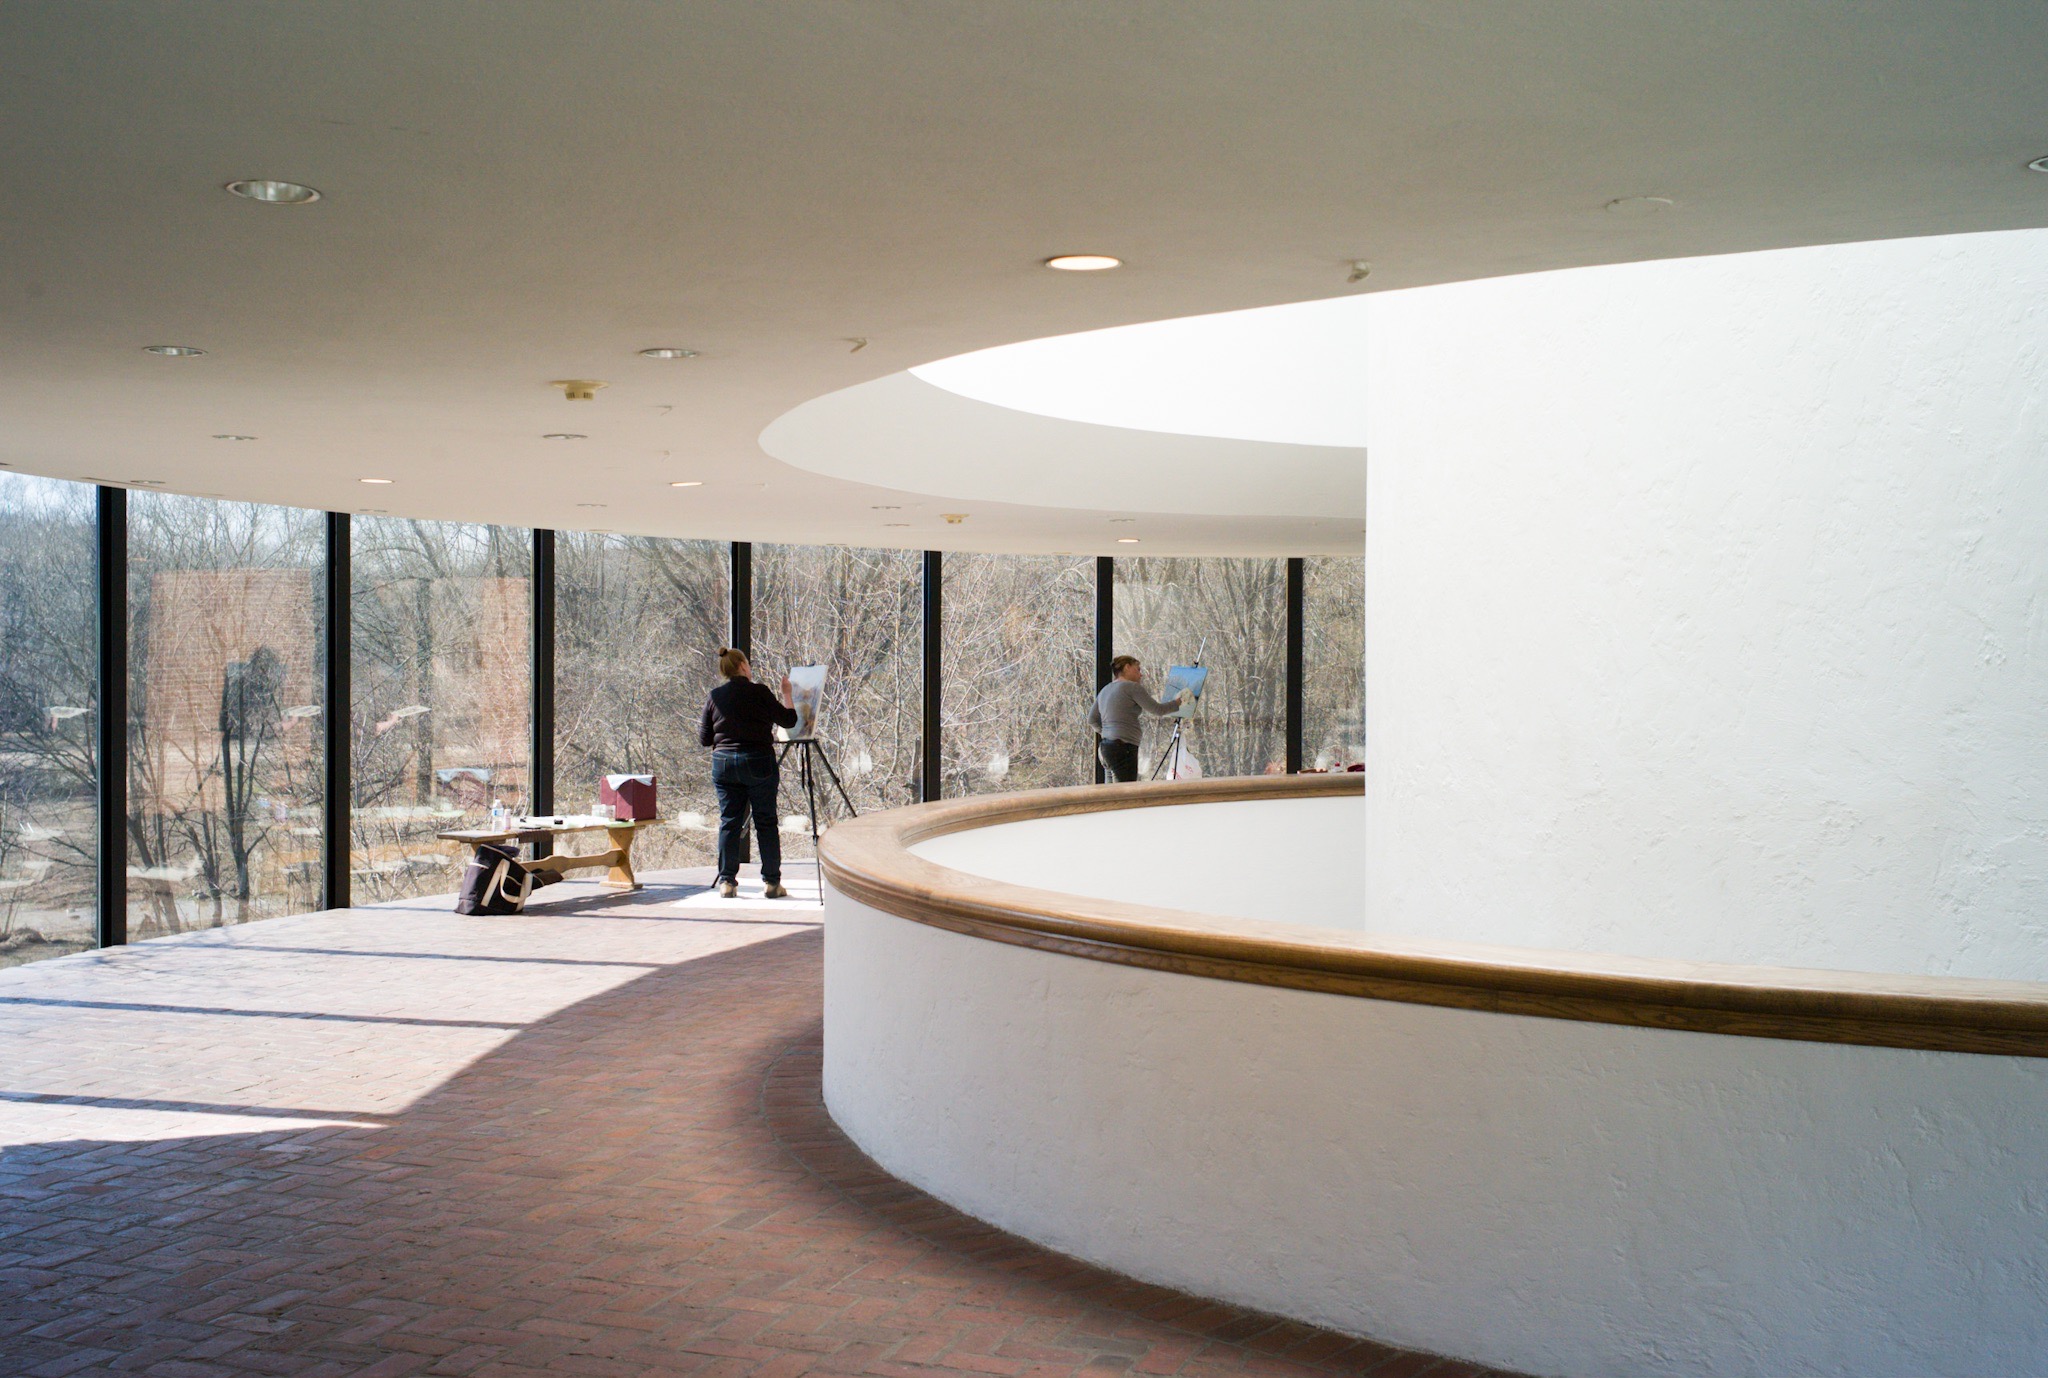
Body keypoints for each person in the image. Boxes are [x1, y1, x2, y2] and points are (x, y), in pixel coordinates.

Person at [698, 646, 799, 898]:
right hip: (758, 762)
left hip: (724, 765)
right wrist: (787, 694)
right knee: (765, 821)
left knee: (729, 822)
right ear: (743, 666)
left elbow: (704, 738)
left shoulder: (714, 696)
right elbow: (789, 720)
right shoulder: (760, 692)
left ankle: (727, 882)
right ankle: (772, 883)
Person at [1089, 655, 1188, 783]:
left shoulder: (1105, 690)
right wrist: (1178, 702)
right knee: (1125, 795)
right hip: (1123, 749)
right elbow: (1158, 710)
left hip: (1106, 749)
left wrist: (1108, 733)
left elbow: (1092, 719)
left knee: (1111, 795)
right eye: (1138, 669)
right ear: (1127, 667)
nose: (1140, 674)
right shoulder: (1132, 687)